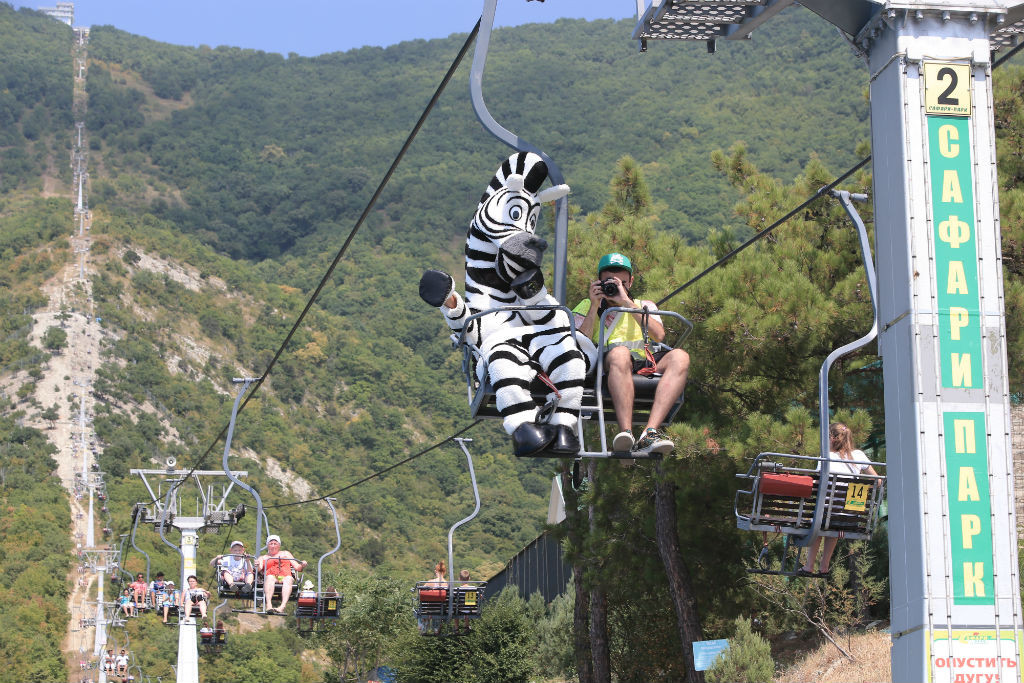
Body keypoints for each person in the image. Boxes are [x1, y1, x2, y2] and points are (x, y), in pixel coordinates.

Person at [573, 253, 691, 456]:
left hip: (646, 361)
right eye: (609, 281)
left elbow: (659, 335)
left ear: (630, 282)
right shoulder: (586, 305)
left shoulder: (644, 305)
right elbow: (579, 342)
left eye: (621, 282)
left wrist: (626, 302)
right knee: (620, 353)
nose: (614, 287)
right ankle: (625, 433)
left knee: (681, 356)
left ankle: (650, 432)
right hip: (610, 363)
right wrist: (594, 306)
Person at [799, 422, 880, 577]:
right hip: (851, 517)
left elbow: (817, 482)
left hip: (826, 516)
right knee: (835, 521)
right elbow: (878, 481)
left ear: (832, 438)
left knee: (821, 524)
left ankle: (809, 565)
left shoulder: (826, 457)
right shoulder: (859, 455)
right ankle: (824, 566)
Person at [256, 535, 307, 614]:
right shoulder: (263, 557)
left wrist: (302, 565)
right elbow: (258, 569)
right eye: (271, 544)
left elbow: (297, 567)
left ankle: (282, 606)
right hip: (272, 576)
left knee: (288, 579)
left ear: (279, 545)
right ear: (267, 545)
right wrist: (257, 564)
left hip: (285, 576)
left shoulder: (286, 553)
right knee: (269, 577)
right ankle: (269, 604)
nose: (273, 546)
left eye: (275, 544)